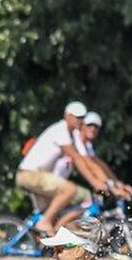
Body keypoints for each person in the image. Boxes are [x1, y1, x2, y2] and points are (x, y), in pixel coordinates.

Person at [18, 101, 103, 236]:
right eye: (77, 117)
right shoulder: (61, 130)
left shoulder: (71, 135)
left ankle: (47, 237)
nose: (80, 121)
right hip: (30, 175)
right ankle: (44, 223)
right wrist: (96, 183)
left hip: (38, 176)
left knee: (58, 209)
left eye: (82, 118)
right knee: (70, 190)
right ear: (67, 116)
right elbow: (77, 159)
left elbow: (88, 161)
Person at [76, 111, 132, 203]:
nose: (93, 129)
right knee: (86, 201)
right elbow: (91, 166)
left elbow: (100, 165)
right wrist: (112, 187)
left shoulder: (87, 145)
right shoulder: (77, 140)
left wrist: (118, 184)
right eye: (89, 125)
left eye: (96, 127)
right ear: (82, 125)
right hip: (54, 177)